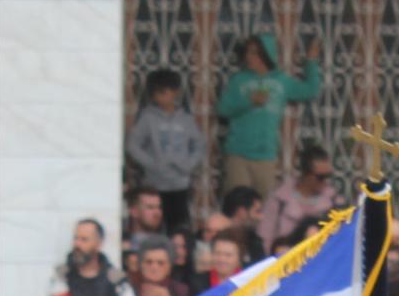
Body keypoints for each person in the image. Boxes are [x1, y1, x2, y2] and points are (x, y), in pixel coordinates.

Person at [216, 34, 323, 207]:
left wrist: (311, 62)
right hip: (238, 154)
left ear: (265, 55)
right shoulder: (239, 80)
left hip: (265, 155)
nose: (249, 57)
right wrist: (249, 101)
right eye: (248, 52)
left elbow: (310, 90)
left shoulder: (281, 81)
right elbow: (223, 109)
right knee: (237, 206)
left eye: (254, 53)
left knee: (265, 207)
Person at [126, 68, 203, 234]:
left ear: (175, 92)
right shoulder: (147, 118)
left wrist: (188, 165)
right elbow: (133, 145)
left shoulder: (186, 119)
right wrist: (152, 164)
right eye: (156, 94)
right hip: (155, 184)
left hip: (180, 183)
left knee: (180, 227)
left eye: (164, 92)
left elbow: (198, 145)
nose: (160, 97)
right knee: (154, 225)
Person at [259, 144, 339, 251]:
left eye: (328, 176)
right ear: (306, 175)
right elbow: (265, 238)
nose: (326, 182)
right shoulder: (279, 200)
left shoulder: (334, 201)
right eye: (321, 177)